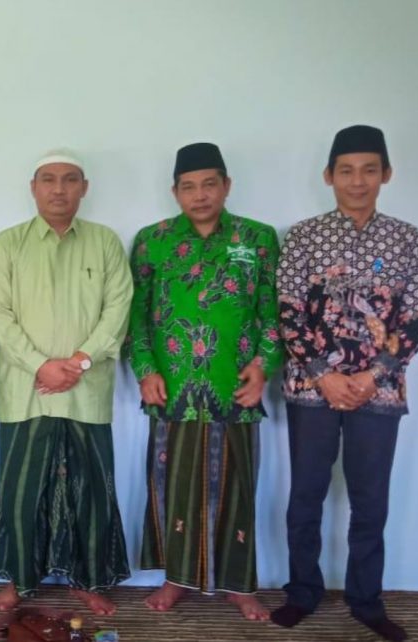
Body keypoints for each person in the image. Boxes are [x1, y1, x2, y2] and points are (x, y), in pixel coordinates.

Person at [271, 125, 418, 642]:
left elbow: (414, 319)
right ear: (329, 176)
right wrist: (325, 375)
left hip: (378, 392)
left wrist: (369, 375)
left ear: (386, 174)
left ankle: (366, 601)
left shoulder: (407, 239)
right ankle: (302, 593)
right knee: (306, 495)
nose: (357, 181)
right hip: (311, 389)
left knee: (370, 500)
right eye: (346, 171)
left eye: (368, 170)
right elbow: (289, 312)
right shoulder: (303, 237)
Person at [126, 142, 280, 620]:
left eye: (209, 184)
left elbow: (273, 311)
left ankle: (239, 585)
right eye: (188, 186)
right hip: (173, 388)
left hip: (235, 386)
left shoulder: (257, 238)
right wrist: (145, 370)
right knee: (174, 487)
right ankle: (176, 579)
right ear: (175, 191)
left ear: (226, 185)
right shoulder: (153, 240)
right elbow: (136, 316)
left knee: (237, 488)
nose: (200, 195)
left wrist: (264, 365)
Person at [0, 149, 133, 615]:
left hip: (87, 392)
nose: (59, 189)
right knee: (21, 493)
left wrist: (80, 362)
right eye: (48, 179)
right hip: (26, 391)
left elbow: (118, 308)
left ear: (84, 187)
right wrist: (41, 365)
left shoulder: (105, 243)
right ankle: (19, 581)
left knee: (91, 493)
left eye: (70, 179)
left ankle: (90, 580)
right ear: (34, 187)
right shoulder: (8, 244)